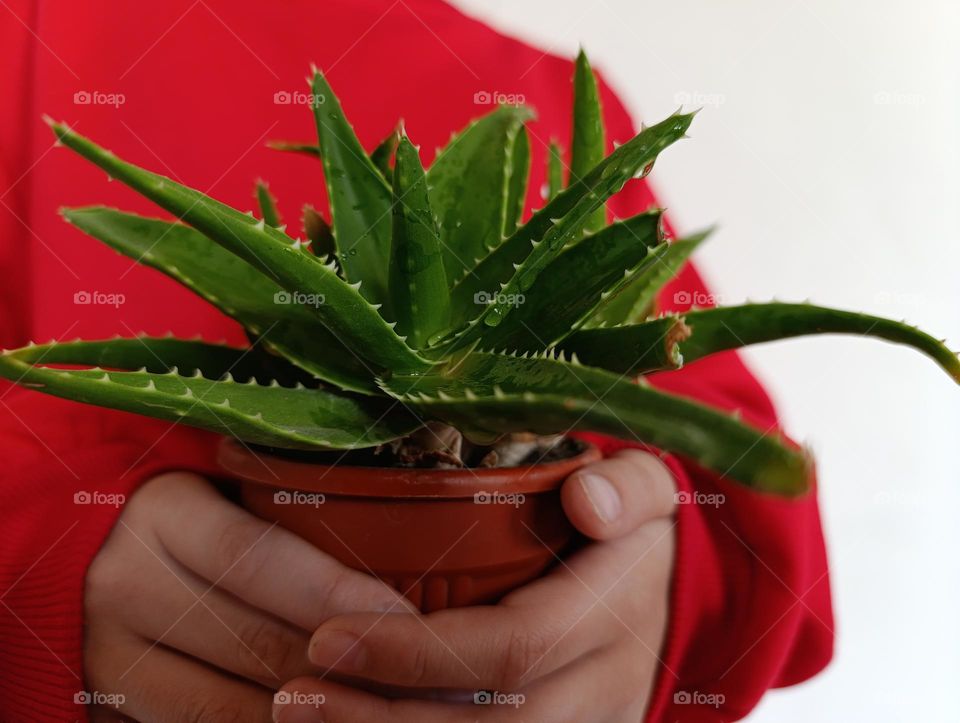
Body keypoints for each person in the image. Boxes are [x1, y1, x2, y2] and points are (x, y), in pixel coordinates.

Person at [0, 0, 833, 720]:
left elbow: (750, 480)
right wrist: (36, 575)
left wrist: (666, 595)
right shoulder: (27, 44)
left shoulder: (535, 91)